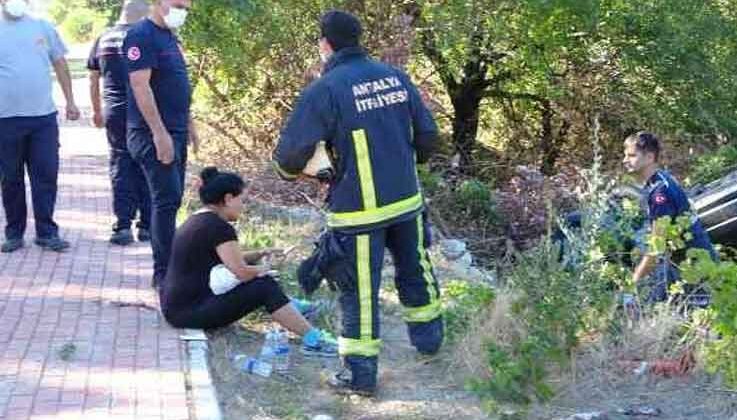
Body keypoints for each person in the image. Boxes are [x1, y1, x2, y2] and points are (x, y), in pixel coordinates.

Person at [273, 10, 443, 396]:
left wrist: (309, 174)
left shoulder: (326, 89)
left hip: (359, 211)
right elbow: (428, 137)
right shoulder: (396, 77)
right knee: (416, 268)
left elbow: (288, 157)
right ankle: (430, 343)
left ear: (325, 44)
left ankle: (360, 376)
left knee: (358, 291)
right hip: (406, 200)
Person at [160, 167, 337, 357]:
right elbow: (241, 272)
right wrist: (267, 268)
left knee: (260, 281)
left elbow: (228, 258)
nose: (243, 206)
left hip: (177, 308)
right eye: (241, 200)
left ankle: (295, 309)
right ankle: (313, 340)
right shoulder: (220, 228)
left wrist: (261, 253)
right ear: (228, 199)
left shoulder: (199, 220)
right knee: (264, 286)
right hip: (190, 313)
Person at [124, 0, 198, 287]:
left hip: (176, 131)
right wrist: (159, 133)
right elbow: (140, 86)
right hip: (152, 134)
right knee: (166, 200)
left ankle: (171, 266)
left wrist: (189, 125)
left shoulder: (169, 35)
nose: (182, 11)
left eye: (187, 8)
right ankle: (164, 274)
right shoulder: (141, 36)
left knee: (173, 198)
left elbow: (177, 83)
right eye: (178, 4)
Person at [0, 0, 79, 253]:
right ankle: (14, 233)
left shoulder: (43, 26)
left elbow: (60, 63)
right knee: (10, 179)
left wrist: (70, 101)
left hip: (42, 118)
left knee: (45, 175)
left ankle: (46, 232)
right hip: (5, 119)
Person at [622, 131, 717, 302]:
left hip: (697, 267)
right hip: (687, 264)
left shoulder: (660, 194)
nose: (625, 160)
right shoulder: (659, 180)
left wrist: (632, 285)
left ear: (650, 157)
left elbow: (657, 247)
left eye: (631, 155)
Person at [88, 0, 151, 246]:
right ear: (142, 15)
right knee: (147, 164)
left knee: (120, 164)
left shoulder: (104, 39)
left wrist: (96, 110)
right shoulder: (145, 37)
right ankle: (146, 226)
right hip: (143, 110)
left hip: (114, 111)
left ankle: (122, 225)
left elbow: (93, 79)